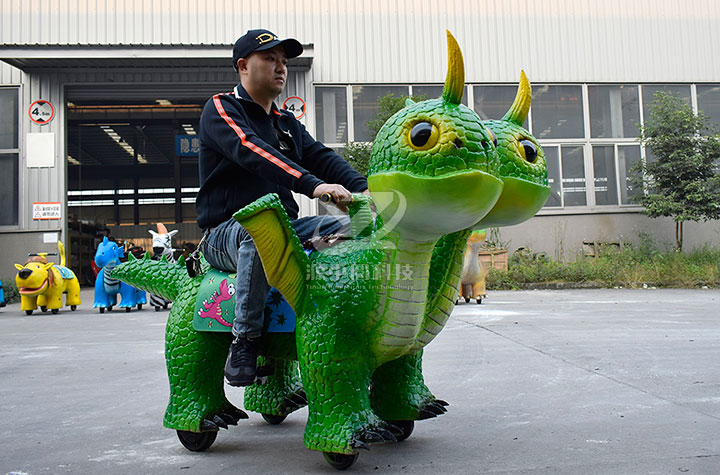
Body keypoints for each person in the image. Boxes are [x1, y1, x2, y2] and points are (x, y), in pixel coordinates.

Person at [196, 29, 369, 386]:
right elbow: (251, 149)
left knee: (356, 230)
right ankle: (245, 341)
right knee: (262, 230)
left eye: (284, 62)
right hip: (225, 233)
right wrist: (313, 185)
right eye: (270, 59)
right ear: (243, 66)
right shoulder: (220, 109)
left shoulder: (286, 123)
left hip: (287, 228)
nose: (280, 68)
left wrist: (366, 188)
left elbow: (322, 157)